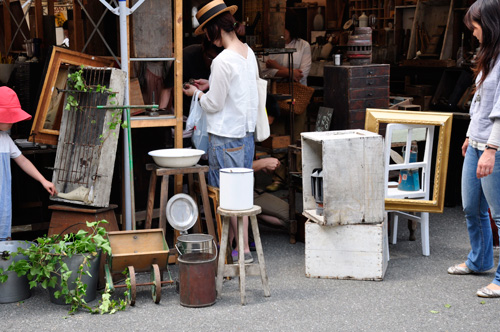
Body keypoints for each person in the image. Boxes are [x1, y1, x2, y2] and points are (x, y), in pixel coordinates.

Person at [183, 0, 259, 263]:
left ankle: (237, 251)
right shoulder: (248, 53)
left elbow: (214, 104)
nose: (206, 36)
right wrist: (210, 86)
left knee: (226, 198)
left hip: (225, 140)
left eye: (206, 30)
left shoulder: (222, 61)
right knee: (241, 195)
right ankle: (243, 249)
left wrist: (196, 93)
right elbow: (236, 93)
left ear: (215, 29)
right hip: (245, 137)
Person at [447, 0, 500, 298]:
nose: (474, 33)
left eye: (476, 27)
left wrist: (492, 149)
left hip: (495, 146)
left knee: (499, 214)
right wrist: (469, 136)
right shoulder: (489, 57)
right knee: (472, 207)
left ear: (491, 26)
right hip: (478, 141)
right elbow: (479, 104)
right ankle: (479, 260)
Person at [260, 9, 312, 192]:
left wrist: (276, 67)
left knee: (298, 137)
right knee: (278, 138)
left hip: (297, 98)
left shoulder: (303, 45)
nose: (279, 31)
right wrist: (289, 72)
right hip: (275, 98)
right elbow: (263, 71)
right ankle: (279, 177)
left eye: (282, 27)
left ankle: (298, 177)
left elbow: (302, 74)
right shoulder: (270, 46)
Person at [0, 87, 57, 241]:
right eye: (9, 117)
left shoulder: (5, 140)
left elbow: (22, 160)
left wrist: (43, 180)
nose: (13, 121)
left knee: (3, 238)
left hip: (3, 200)